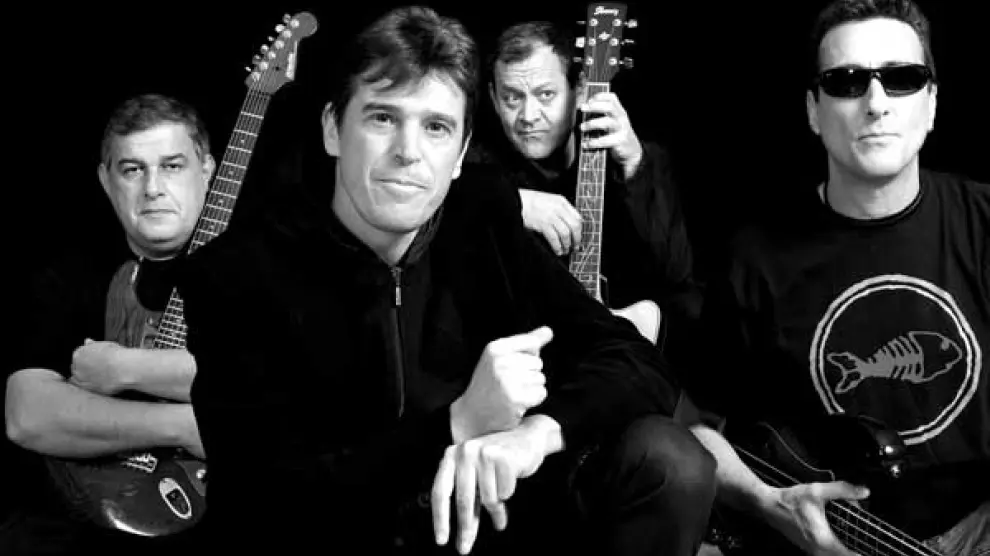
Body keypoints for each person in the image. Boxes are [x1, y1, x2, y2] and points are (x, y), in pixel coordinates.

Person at [175, 5, 715, 555]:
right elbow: (263, 503)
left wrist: (534, 436)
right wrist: (459, 423)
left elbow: (633, 359)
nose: (408, 152)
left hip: (486, 523)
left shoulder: (481, 216)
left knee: (669, 460)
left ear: (459, 153)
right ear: (333, 129)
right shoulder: (235, 275)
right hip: (342, 533)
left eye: (436, 127)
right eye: (382, 118)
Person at [688, 1, 989, 555]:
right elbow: (696, 425)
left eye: (902, 78)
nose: (876, 103)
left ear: (931, 103)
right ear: (813, 110)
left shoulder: (983, 222)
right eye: (846, 82)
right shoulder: (755, 256)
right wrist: (769, 504)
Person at [3, 94, 213, 554]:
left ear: (208, 170)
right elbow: (27, 416)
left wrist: (121, 370)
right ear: (106, 179)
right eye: (132, 169)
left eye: (172, 166)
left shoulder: (268, 269)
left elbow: (278, 392)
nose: (153, 188)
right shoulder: (68, 276)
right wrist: (186, 424)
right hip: (73, 530)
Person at [471, 19, 701, 352]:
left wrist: (636, 166)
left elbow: (678, 278)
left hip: (619, 362)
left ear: (579, 91)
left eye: (546, 95)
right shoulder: (476, 170)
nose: (528, 115)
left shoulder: (638, 160)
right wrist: (514, 203)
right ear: (493, 98)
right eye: (511, 98)